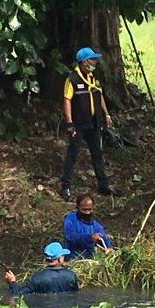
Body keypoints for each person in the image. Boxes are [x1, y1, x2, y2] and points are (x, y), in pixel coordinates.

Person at [60, 47, 121, 201]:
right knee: (72, 154)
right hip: (79, 124)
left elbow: (99, 96)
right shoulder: (72, 79)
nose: (94, 62)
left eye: (94, 59)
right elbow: (67, 100)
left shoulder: (94, 78)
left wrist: (106, 113)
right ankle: (66, 187)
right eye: (92, 59)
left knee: (97, 154)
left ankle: (103, 184)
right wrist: (69, 123)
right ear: (84, 62)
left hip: (94, 123)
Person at [4, 242, 79, 295]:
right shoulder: (71, 276)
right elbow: (75, 294)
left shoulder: (36, 278)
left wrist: (12, 282)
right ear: (60, 259)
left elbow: (16, 295)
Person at [63, 192, 112, 260]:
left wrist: (109, 249)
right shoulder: (70, 219)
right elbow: (70, 236)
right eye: (84, 210)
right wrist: (90, 238)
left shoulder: (96, 226)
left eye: (89, 209)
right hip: (72, 258)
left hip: (89, 260)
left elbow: (104, 240)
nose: (87, 212)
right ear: (78, 208)